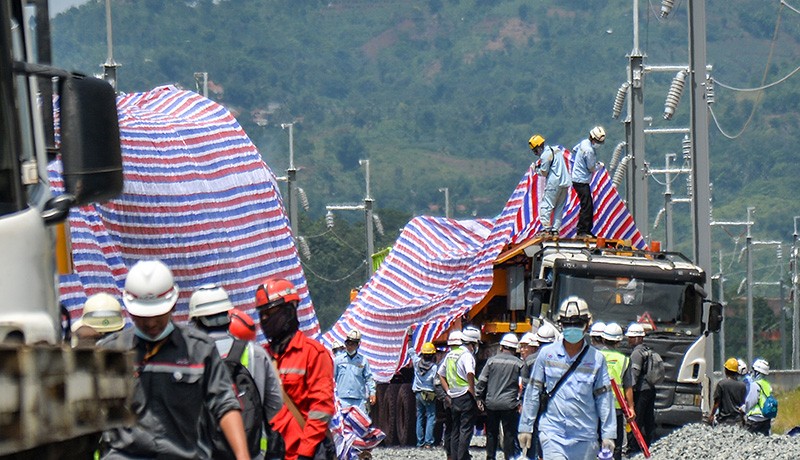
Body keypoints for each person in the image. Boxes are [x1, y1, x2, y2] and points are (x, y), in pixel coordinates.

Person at [98, 260, 250, 460]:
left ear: (174, 305)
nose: (151, 323)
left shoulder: (199, 350)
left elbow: (224, 404)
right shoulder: (109, 353)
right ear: (129, 309)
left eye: (157, 315)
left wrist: (243, 456)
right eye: (143, 316)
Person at [189, 284, 284, 458]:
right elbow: (275, 406)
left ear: (195, 321)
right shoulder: (255, 352)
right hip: (254, 453)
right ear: (228, 315)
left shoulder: (188, 358)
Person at [518, 296, 615, 460]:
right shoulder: (546, 355)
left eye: (577, 324)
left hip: (585, 438)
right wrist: (525, 427)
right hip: (552, 433)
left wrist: (608, 434)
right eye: (568, 324)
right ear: (560, 325)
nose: (572, 329)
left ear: (587, 325)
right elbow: (533, 392)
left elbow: (604, 399)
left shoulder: (597, 359)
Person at [256, 278, 335, 460]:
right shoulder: (260, 356)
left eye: (271, 312)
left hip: (303, 453)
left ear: (289, 311)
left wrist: (305, 454)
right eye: (262, 314)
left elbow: (321, 408)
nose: (265, 319)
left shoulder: (313, 354)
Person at [476, 333, 523, 460]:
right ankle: (509, 457)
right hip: (510, 405)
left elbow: (482, 381)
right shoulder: (519, 364)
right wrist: (522, 401)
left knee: (491, 433)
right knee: (509, 434)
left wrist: (478, 397)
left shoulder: (491, 361)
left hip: (492, 403)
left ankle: (490, 457)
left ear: (502, 347)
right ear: (514, 349)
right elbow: (524, 384)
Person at [439, 326, 481, 460]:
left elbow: (440, 374)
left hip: (454, 397)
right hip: (465, 396)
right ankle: (463, 457)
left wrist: (448, 391)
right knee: (465, 430)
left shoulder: (451, 354)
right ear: (473, 343)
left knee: (455, 430)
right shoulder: (467, 355)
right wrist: (472, 390)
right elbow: (470, 373)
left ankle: (454, 456)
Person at [599, 323, 635, 460]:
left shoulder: (595, 356)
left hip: (596, 406)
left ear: (603, 339)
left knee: (596, 441)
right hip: (616, 409)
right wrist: (631, 408)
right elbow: (628, 386)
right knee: (616, 444)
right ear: (619, 341)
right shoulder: (624, 360)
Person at [529, 134, 572, 237]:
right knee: (559, 207)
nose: (535, 153)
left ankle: (546, 229)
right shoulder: (556, 150)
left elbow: (544, 172)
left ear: (539, 147)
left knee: (546, 205)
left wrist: (535, 169)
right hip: (565, 182)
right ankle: (555, 230)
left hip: (554, 183)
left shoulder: (545, 156)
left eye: (535, 150)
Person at [571, 126, 606, 237]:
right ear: (593, 139)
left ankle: (585, 230)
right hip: (581, 180)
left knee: (586, 204)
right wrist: (599, 166)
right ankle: (583, 231)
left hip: (577, 178)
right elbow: (591, 167)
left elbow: (574, 150)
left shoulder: (584, 143)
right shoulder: (589, 151)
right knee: (587, 206)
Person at [626, 323, 656, 450]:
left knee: (637, 418)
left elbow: (634, 375)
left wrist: (629, 391)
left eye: (631, 337)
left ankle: (634, 445)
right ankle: (650, 442)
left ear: (638, 338)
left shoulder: (636, 353)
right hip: (650, 388)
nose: (629, 340)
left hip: (641, 390)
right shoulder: (647, 350)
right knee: (648, 418)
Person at [334, 329, 377, 413]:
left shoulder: (363, 361)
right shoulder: (338, 360)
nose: (349, 346)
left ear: (358, 345)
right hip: (343, 399)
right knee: (343, 424)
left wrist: (372, 393)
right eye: (348, 343)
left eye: (352, 344)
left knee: (360, 424)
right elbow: (332, 378)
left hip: (359, 400)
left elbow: (369, 379)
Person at [437, 331, 463, 460]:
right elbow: (438, 381)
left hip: (454, 398)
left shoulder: (448, 359)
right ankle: (451, 454)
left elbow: (438, 380)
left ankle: (453, 454)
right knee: (453, 428)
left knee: (453, 428)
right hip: (454, 399)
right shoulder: (450, 359)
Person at [408, 340, 439, 448]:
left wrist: (410, 339)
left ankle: (419, 442)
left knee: (420, 417)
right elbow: (436, 382)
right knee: (431, 416)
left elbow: (411, 351)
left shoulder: (417, 363)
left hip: (418, 393)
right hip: (429, 394)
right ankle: (428, 442)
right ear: (432, 355)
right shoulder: (434, 367)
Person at [708, 357, 747, 426]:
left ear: (726, 370)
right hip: (738, 420)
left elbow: (717, 402)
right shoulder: (742, 386)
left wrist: (712, 415)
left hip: (724, 420)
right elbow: (743, 404)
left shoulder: (721, 384)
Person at [744, 358, 774, 435]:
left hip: (754, 419)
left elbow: (750, 401)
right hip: (766, 418)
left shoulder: (755, 385)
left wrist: (743, 409)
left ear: (757, 372)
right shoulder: (767, 385)